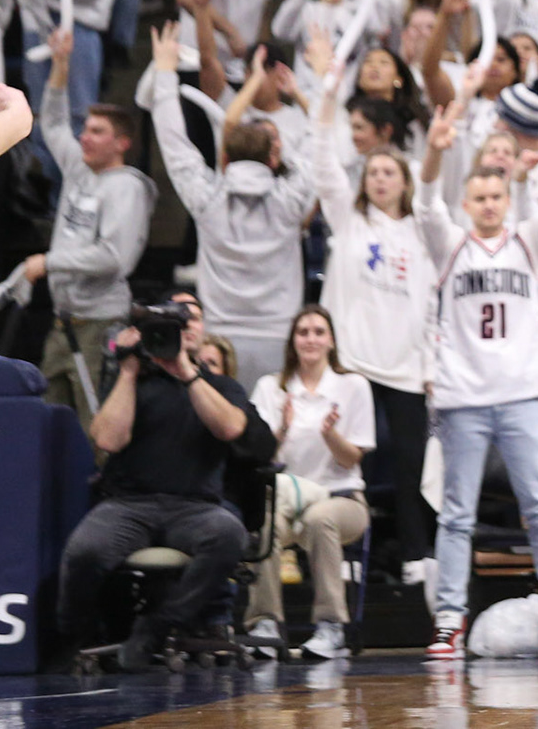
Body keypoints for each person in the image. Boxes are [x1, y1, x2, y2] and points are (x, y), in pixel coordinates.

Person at [415, 91, 538, 659]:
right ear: (468, 203)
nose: (490, 203)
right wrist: (433, 151)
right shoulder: (452, 247)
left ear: (507, 199)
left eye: (498, 194)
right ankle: (449, 618)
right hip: (464, 400)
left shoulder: (528, 241)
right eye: (481, 196)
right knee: (458, 514)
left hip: (522, 397)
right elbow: (424, 204)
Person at [56, 298, 276, 669]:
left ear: (202, 331)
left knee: (228, 536)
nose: (184, 326)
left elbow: (231, 428)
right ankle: (72, 639)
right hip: (129, 505)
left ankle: (157, 627)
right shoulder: (133, 380)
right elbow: (107, 440)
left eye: (191, 320)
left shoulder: (220, 385)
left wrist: (186, 373)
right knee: (83, 551)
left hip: (195, 507)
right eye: (175, 320)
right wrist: (127, 371)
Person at [308, 82, 437, 585]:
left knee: (410, 467)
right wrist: (324, 96)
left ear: (406, 182)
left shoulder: (424, 232)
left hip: (405, 367)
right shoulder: (349, 219)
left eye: (390, 172)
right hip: (354, 363)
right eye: (374, 172)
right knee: (343, 462)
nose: (381, 179)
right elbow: (322, 164)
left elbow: (431, 308)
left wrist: (429, 368)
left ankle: (415, 557)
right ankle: (340, 558)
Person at [147, 22, 315, 388]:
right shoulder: (291, 200)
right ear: (273, 159)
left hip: (219, 337)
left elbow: (174, 143)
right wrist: (306, 91)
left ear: (224, 156)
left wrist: (164, 73)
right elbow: (324, 138)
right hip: (280, 335)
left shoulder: (208, 199)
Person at [30, 29, 155, 427]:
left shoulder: (128, 188)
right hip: (63, 321)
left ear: (122, 143)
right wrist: (61, 66)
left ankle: (98, 492)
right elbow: (51, 123)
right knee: (49, 425)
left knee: (95, 431)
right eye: (85, 129)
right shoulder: (78, 167)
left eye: (97, 132)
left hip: (100, 326)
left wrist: (50, 263)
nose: (83, 137)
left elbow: (111, 258)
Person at [244, 306, 375, 662]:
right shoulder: (271, 387)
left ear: (331, 340)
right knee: (264, 520)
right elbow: (259, 457)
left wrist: (329, 433)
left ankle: (331, 626)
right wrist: (283, 428)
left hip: (342, 498)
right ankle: (265, 624)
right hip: (287, 499)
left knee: (321, 518)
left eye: (319, 331)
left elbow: (351, 459)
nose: (311, 339)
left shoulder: (353, 385)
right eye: (303, 332)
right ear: (293, 341)